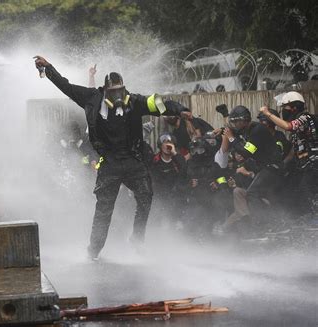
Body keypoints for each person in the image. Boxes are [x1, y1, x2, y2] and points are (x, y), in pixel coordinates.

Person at [34, 55, 189, 259]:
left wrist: (180, 109)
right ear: (105, 89)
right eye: (113, 91)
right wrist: (49, 68)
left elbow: (160, 104)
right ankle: (93, 251)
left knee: (145, 195)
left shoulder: (135, 101)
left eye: (120, 90)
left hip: (133, 161)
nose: (118, 95)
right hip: (109, 164)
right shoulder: (91, 98)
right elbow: (66, 86)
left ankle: (136, 239)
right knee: (104, 209)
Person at [259, 91, 318, 218]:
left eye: (284, 107)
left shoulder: (305, 118)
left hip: (314, 164)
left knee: (307, 191)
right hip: (305, 166)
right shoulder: (298, 128)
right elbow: (294, 150)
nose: (282, 111)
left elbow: (288, 126)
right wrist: (283, 164)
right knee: (291, 190)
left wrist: (268, 113)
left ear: (294, 107)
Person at [227, 105, 283, 231]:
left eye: (237, 121)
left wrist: (231, 138)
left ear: (244, 120)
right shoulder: (250, 130)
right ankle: (271, 222)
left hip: (272, 168)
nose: (235, 124)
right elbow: (232, 131)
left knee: (252, 194)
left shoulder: (257, 130)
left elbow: (247, 152)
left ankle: (266, 224)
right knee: (256, 195)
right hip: (266, 168)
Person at [150, 132, 187, 226]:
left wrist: (174, 153)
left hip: (176, 199)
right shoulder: (154, 161)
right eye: (164, 142)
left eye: (170, 143)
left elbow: (185, 171)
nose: (167, 145)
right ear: (160, 145)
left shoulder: (178, 160)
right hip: (159, 199)